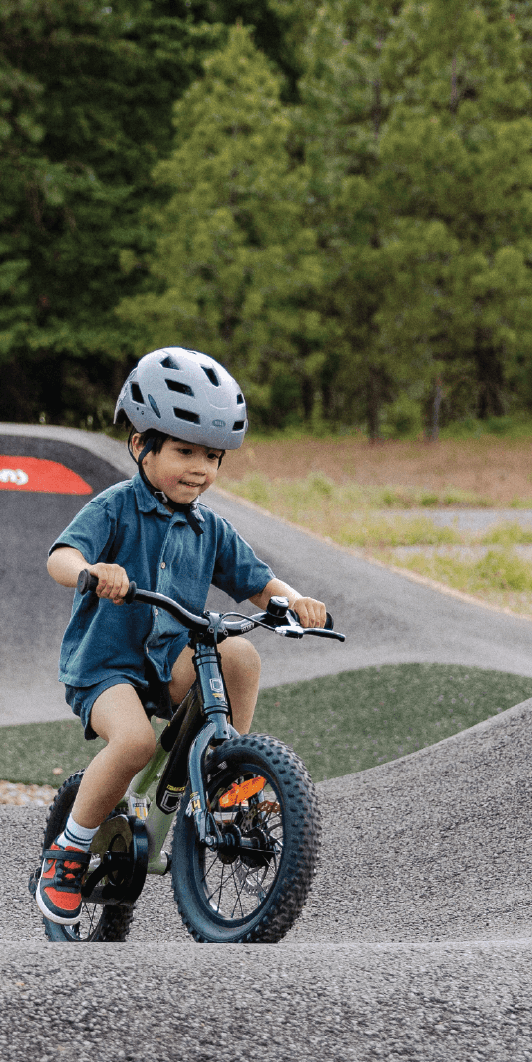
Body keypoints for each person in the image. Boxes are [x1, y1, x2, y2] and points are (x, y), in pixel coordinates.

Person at [35, 347, 329, 925]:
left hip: (173, 661)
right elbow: (61, 557)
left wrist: (294, 602)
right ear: (141, 444)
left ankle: (226, 774)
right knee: (136, 744)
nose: (200, 468)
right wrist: (93, 573)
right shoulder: (116, 508)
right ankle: (67, 852)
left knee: (239, 653)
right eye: (184, 452)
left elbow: (258, 583)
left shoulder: (210, 528)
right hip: (108, 668)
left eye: (212, 457)